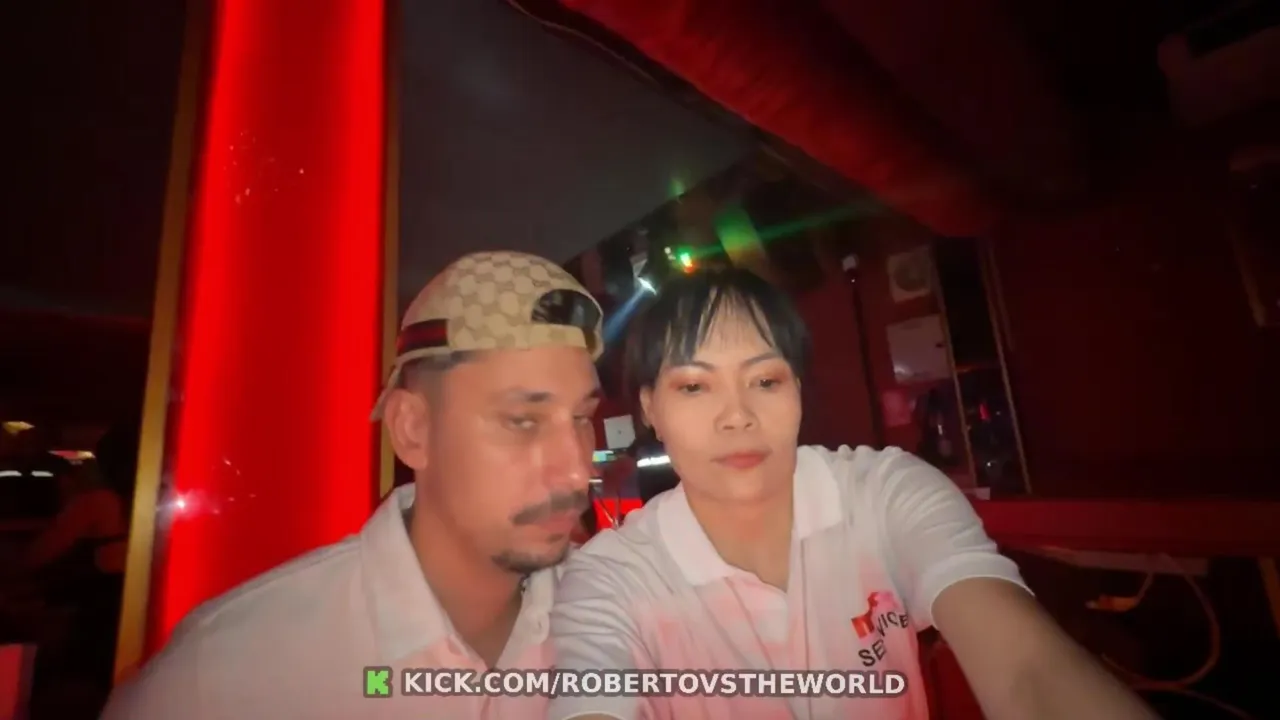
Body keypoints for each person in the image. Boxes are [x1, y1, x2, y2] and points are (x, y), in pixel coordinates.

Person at [548, 267, 1156, 720]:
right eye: (694, 387)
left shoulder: (883, 493)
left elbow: (1028, 670)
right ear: (649, 407)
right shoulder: (611, 578)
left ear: (797, 388)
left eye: (765, 380)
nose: (737, 415)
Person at [102, 251, 605, 719]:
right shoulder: (233, 670)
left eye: (582, 417)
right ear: (413, 430)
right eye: (522, 421)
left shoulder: (620, 617)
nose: (577, 471)